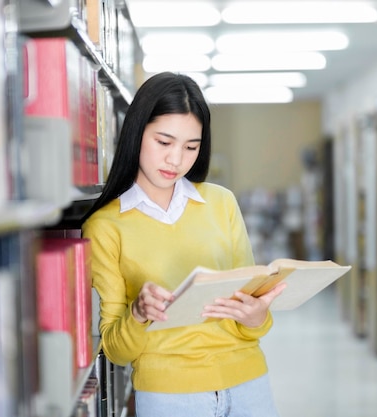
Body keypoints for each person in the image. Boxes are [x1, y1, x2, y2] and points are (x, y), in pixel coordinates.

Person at [81, 72, 286, 417]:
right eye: (164, 142)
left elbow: (252, 317)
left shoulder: (221, 203)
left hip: (250, 383)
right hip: (169, 395)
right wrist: (138, 313)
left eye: (191, 147)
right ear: (137, 132)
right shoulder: (104, 226)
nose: (176, 160)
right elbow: (116, 350)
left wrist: (257, 315)